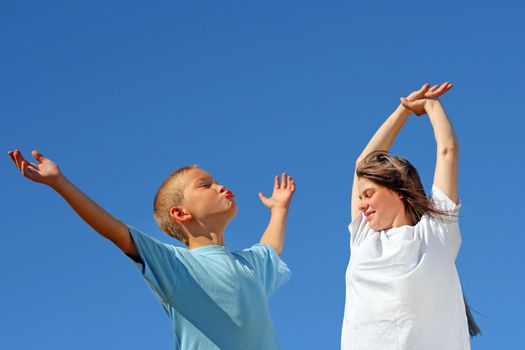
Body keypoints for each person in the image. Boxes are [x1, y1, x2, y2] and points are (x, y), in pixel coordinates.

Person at [8, 150, 295, 350]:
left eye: (217, 181)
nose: (220, 186)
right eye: (206, 185)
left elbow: (270, 248)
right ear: (180, 213)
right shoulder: (176, 266)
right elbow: (116, 231)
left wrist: (279, 209)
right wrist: (61, 184)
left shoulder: (249, 267)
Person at [341, 83, 480, 350]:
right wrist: (403, 110)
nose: (362, 205)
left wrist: (430, 105)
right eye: (360, 197)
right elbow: (363, 163)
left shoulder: (437, 231)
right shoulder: (363, 237)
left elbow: (447, 150)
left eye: (369, 194)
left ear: (398, 191)